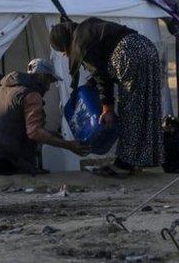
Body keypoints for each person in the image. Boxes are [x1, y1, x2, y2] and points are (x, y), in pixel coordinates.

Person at [50, 18, 164, 177]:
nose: (64, 54)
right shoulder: (87, 28)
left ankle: (124, 164)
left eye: (62, 50)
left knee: (130, 111)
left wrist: (107, 108)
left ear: (64, 42)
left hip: (129, 54)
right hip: (146, 47)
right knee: (148, 106)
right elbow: (103, 63)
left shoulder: (81, 42)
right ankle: (144, 158)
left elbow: (100, 75)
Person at [0, 59, 89, 175]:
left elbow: (10, 125)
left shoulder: (1, 90)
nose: (48, 88)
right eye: (49, 81)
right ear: (42, 76)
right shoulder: (31, 94)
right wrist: (69, 145)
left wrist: (50, 134)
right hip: (1, 158)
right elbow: (34, 133)